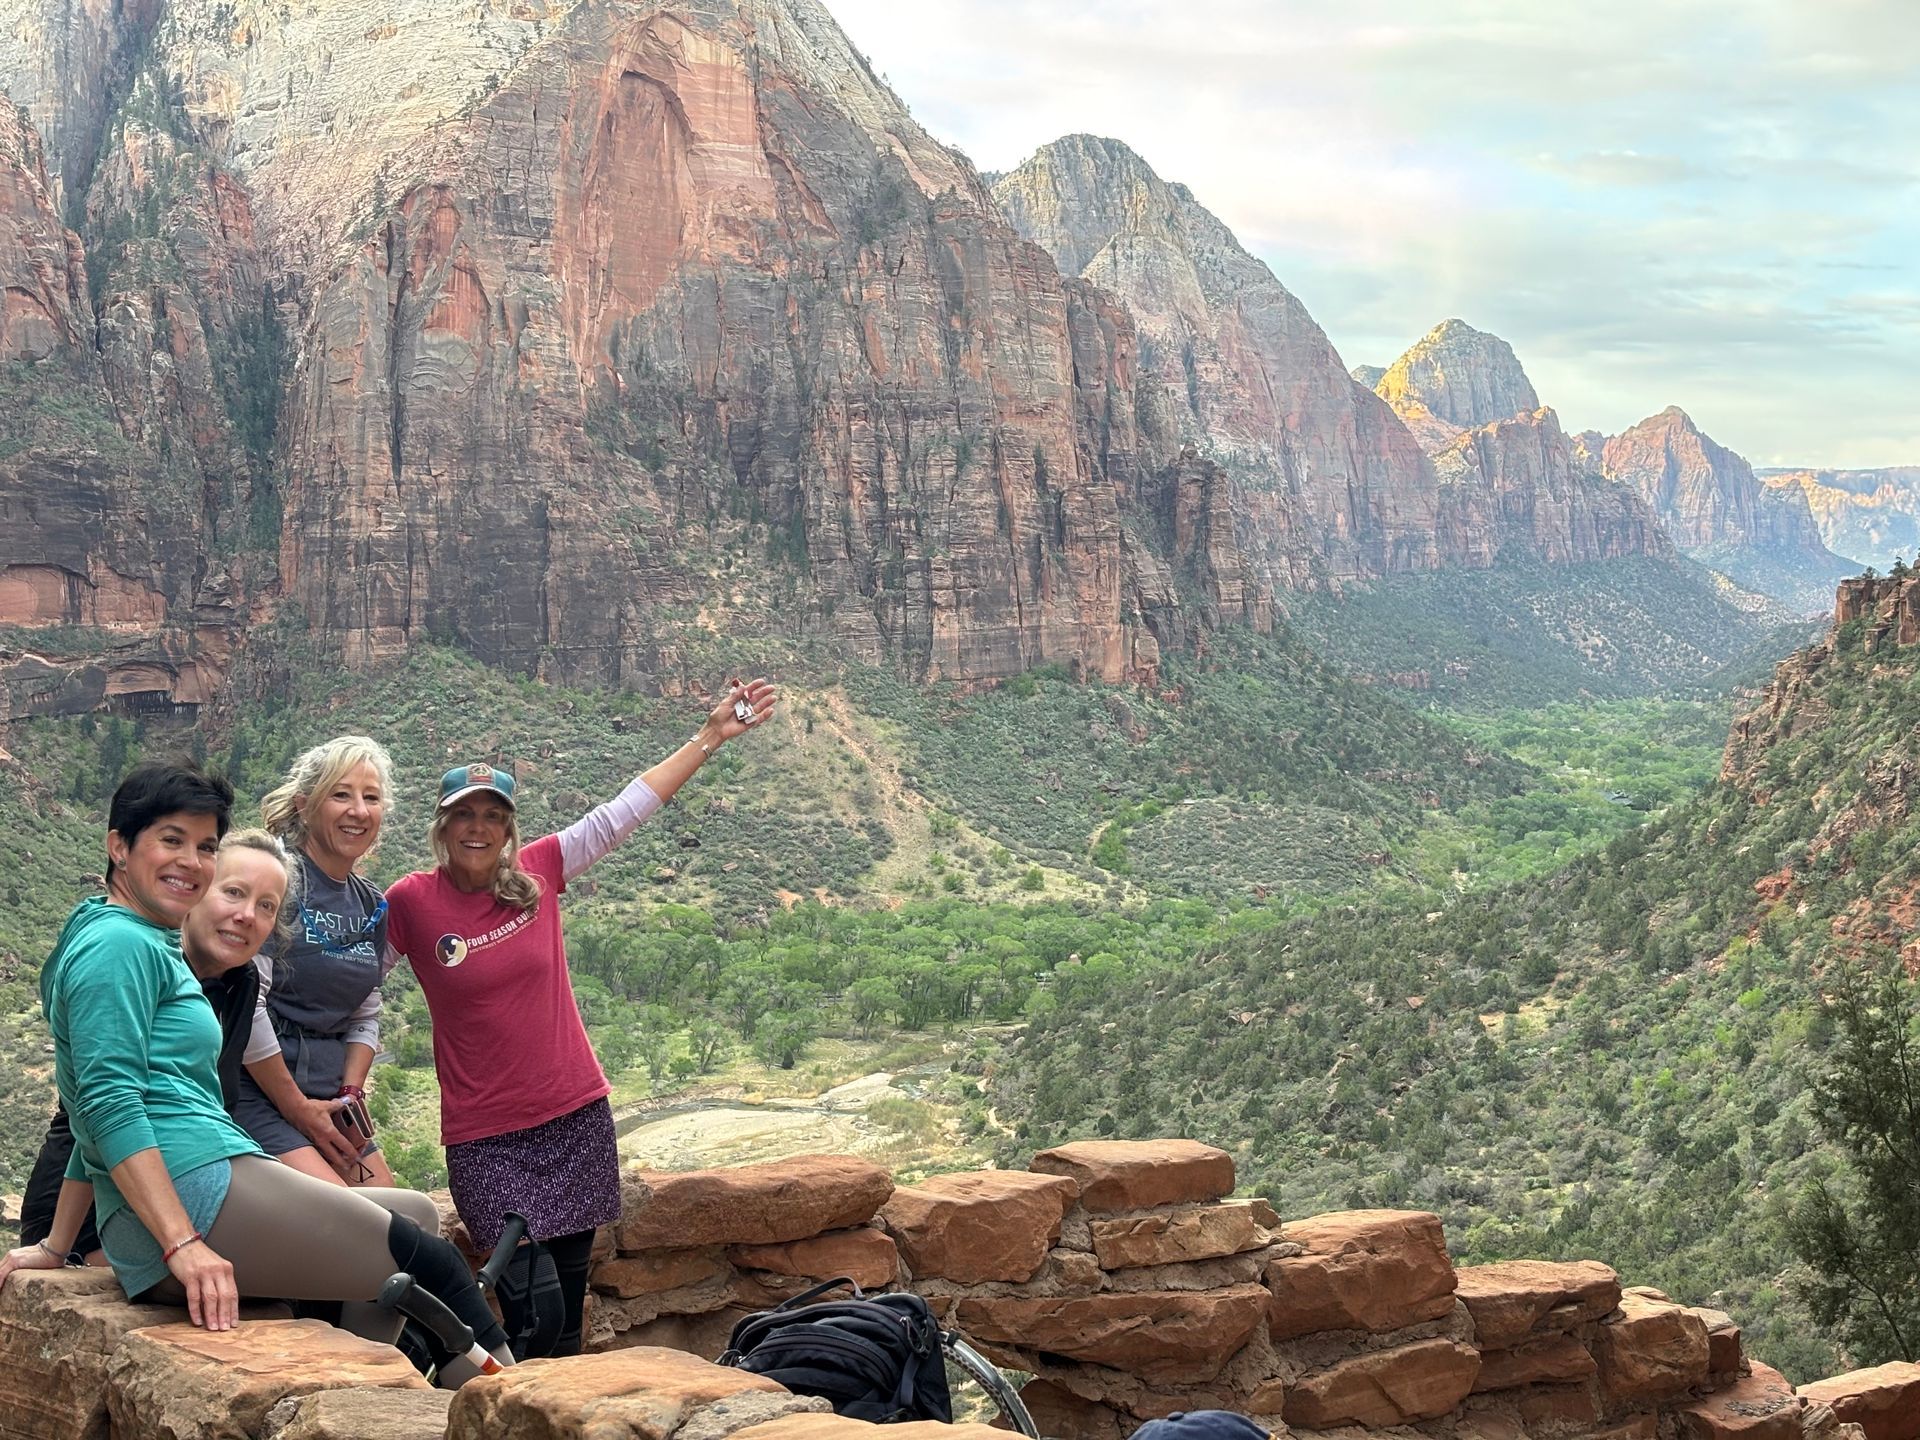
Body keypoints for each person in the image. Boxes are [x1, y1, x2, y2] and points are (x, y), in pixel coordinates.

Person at [0, 763, 509, 1385]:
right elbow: (106, 1107)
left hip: (208, 1174)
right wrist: (180, 1244)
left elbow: (87, 1102)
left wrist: (56, 1246)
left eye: (206, 846)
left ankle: (362, 1391)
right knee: (431, 1264)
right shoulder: (120, 947)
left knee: (417, 1217)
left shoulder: (130, 934)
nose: (190, 860)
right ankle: (513, 1401)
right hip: (193, 1190)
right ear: (118, 847)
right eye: (171, 839)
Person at [382, 677, 778, 1358]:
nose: (478, 827)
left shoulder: (539, 872)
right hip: (484, 1137)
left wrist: (710, 737)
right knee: (528, 1309)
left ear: (509, 828)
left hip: (572, 1117)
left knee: (566, 1314)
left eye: (492, 815)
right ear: (442, 827)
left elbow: (629, 807)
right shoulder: (411, 902)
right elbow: (354, 988)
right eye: (464, 815)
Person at [17, 828, 282, 1265]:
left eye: (266, 906)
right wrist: (180, 1243)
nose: (247, 915)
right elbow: (104, 1113)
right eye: (232, 893)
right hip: (108, 1206)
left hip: (185, 1187)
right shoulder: (132, 958)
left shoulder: (239, 983)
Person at [232, 736, 398, 1184]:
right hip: (259, 1095)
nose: (358, 811)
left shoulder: (372, 904)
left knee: (403, 1219)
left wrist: (349, 1093)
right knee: (353, 1223)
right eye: (340, 794)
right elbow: (248, 1004)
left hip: (328, 1099)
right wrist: (297, 1109)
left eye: (371, 798)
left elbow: (365, 1007)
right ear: (306, 806)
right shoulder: (277, 881)